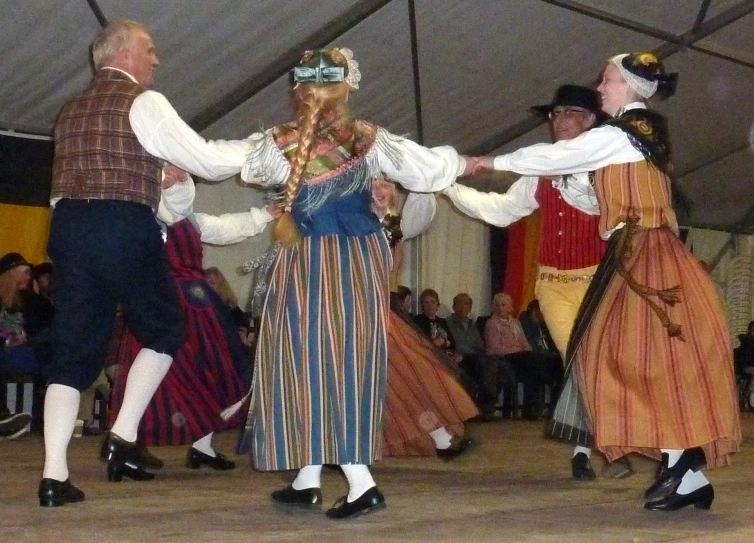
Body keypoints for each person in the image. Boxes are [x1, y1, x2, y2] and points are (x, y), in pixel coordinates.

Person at [467, 53, 740, 511]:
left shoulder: (623, 134)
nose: (601, 86)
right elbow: (573, 178)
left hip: (647, 255)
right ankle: (687, 470)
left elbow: (562, 155)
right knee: (631, 357)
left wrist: (488, 161)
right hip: (634, 254)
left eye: (608, 79)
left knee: (633, 357)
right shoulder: (626, 136)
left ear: (631, 87)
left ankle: (683, 460)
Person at [41, 19, 265, 507]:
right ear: (122, 54)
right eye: (149, 50)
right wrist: (260, 148)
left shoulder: (70, 109)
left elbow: (79, 181)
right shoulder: (144, 101)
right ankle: (121, 436)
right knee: (166, 329)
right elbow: (204, 159)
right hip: (121, 224)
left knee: (73, 353)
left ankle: (54, 476)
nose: (156, 60)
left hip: (68, 228)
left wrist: (162, 182)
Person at [238, 48, 465, 519]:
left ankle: (361, 484)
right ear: (346, 87)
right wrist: (461, 164)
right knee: (338, 365)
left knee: (314, 366)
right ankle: (307, 477)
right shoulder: (371, 140)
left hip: (311, 264)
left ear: (298, 89)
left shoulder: (279, 142)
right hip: (357, 263)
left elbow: (237, 165)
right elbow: (429, 172)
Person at [444, 84, 630, 478]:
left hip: (596, 280)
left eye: (569, 113)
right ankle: (601, 447)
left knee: (599, 362)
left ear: (590, 121)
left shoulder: (606, 167)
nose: (559, 120)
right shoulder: (539, 171)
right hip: (553, 284)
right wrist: (448, 188)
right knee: (580, 359)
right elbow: (502, 210)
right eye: (555, 114)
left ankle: (586, 448)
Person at [110, 167, 279, 475]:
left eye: (183, 174)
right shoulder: (143, 218)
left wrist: (266, 213)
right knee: (165, 381)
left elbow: (227, 227)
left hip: (200, 310)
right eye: (170, 172)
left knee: (214, 373)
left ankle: (200, 447)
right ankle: (128, 446)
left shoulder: (190, 221)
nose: (178, 177)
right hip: (162, 306)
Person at [372, 175, 476, 459]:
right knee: (403, 376)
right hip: (366, 309)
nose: (379, 190)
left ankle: (441, 439)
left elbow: (391, 271)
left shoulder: (394, 227)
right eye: (373, 185)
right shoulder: (358, 226)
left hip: (385, 307)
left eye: (384, 184)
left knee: (412, 376)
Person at [0, 253, 34, 439]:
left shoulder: (29, 301)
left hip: (23, 352)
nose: (29, 277)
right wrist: (7, 341)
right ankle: (3, 416)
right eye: (26, 272)